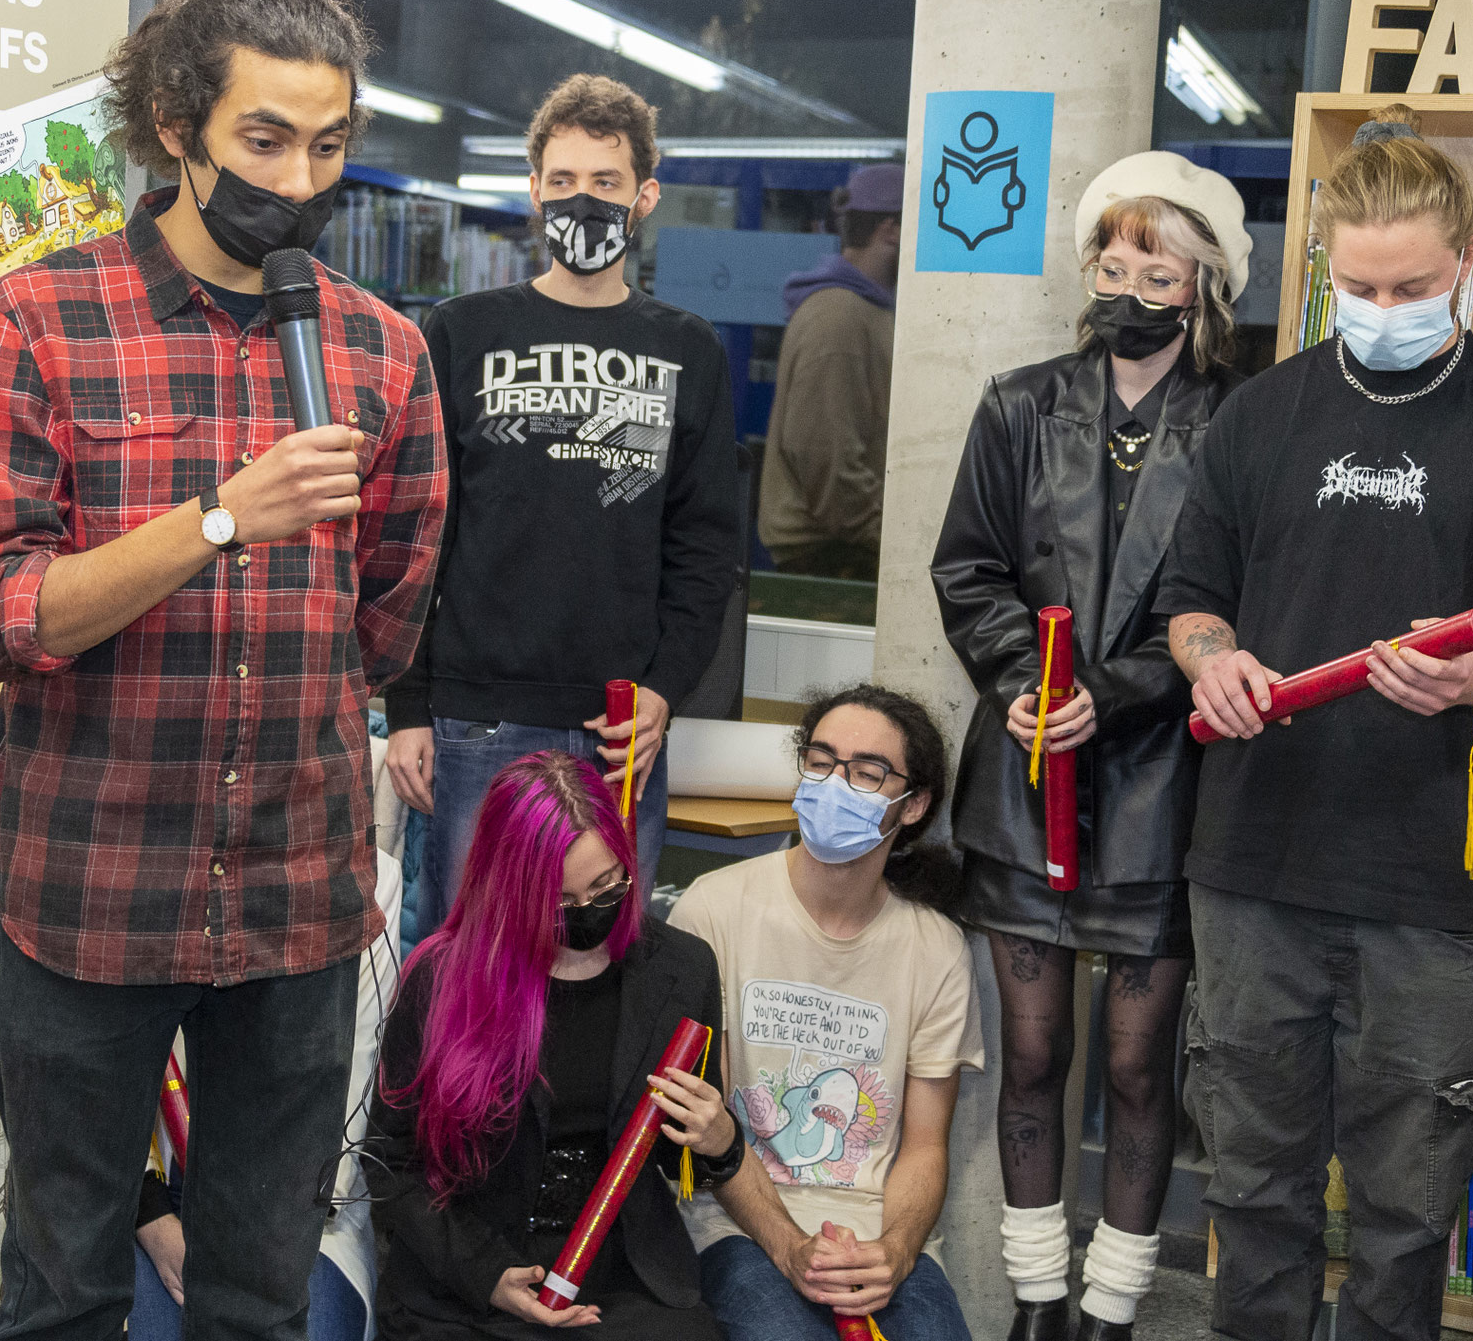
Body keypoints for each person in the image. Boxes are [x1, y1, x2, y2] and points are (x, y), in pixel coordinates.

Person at [0, 0, 446, 1341]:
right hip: (89, 888)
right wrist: (222, 519)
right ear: (179, 125)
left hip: (295, 892)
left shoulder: (385, 352)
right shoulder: (39, 318)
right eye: (264, 139)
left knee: (258, 1292)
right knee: (62, 1287)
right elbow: (0, 610)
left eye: (329, 144)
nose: (297, 176)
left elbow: (386, 618)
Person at [1158, 103, 1473, 1341]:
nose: (1383, 305)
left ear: (1465, 268)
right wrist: (1209, 662)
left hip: (1434, 888)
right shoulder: (1260, 413)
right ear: (1324, 266)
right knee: (1253, 1194)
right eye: (1359, 282)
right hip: (1252, 870)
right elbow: (1188, 599)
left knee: (1402, 1211)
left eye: (1413, 284)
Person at [931, 152, 1250, 1341]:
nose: (1123, 286)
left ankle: (1112, 1311)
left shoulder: (1234, 421)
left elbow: (1228, 603)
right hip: (1022, 782)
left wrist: (1102, 695)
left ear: (1200, 283)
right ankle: (1033, 1302)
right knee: (1027, 1057)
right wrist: (1024, 681)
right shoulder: (1018, 402)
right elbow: (963, 566)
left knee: (1132, 1068)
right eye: (1108, 263)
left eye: (1152, 268)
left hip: (1162, 787)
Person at [382, 73, 740, 939]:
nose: (585, 201)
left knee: (603, 961)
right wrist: (407, 709)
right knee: (467, 959)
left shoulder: (687, 347)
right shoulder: (461, 332)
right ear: (535, 189)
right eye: (566, 181)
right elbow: (416, 531)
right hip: (477, 718)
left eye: (608, 184)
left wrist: (663, 689)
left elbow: (706, 544)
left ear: (645, 196)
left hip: (621, 727)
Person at [364, 751, 745, 1338]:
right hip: (467, 1282)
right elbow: (390, 1163)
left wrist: (720, 1141)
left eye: (606, 885)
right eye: (560, 902)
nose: (589, 913)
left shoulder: (681, 970)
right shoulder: (441, 976)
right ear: (507, 889)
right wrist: (488, 1274)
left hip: (621, 1281)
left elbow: (678, 1158)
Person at [670, 683, 983, 1341]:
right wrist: (788, 1245)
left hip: (876, 1237)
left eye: (867, 772)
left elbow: (924, 1147)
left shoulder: (936, 947)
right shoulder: (713, 907)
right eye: (821, 760)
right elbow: (709, 1124)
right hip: (735, 1226)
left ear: (914, 803)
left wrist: (895, 1251)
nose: (836, 783)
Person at [129, 846, 407, 1341]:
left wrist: (246, 1247)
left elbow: (343, 1100)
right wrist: (149, 1216)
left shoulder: (362, 874)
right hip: (153, 1196)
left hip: (297, 1211)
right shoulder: (134, 858)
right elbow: (98, 1093)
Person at [758, 163, 904, 582]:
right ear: (891, 229)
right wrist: (900, 542)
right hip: (832, 559)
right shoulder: (838, 317)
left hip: (849, 550)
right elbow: (826, 457)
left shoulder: (869, 311)